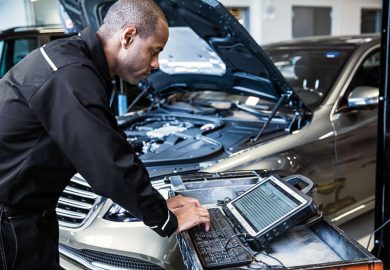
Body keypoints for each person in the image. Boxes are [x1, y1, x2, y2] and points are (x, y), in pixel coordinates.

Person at [0, 0, 211, 269]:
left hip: (28, 212)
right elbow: (106, 161)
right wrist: (167, 218)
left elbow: (111, 140)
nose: (157, 63)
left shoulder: (75, 61)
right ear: (128, 36)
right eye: (154, 51)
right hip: (9, 219)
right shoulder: (70, 74)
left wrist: (160, 202)